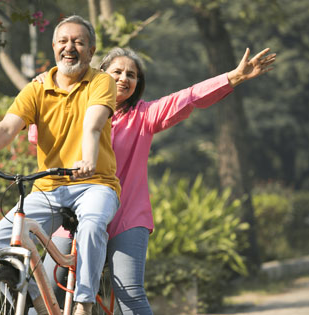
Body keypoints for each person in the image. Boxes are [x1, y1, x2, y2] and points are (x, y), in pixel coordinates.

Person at [32, 46, 276, 314]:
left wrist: (234, 77)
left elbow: (190, 97)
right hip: (73, 216)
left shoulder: (144, 116)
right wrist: (44, 89)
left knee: (130, 294)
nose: (125, 78)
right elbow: (38, 134)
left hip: (126, 219)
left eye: (132, 74)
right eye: (117, 71)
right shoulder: (74, 109)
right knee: (46, 289)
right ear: (100, 75)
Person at [0, 15, 121, 315]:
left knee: (93, 225)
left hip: (95, 183)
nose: (70, 48)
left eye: (79, 42)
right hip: (49, 188)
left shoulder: (101, 81)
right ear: (54, 47)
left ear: (91, 51)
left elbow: (93, 125)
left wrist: (88, 161)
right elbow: (6, 128)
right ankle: (42, 304)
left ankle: (83, 302)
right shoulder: (36, 88)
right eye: (64, 41)